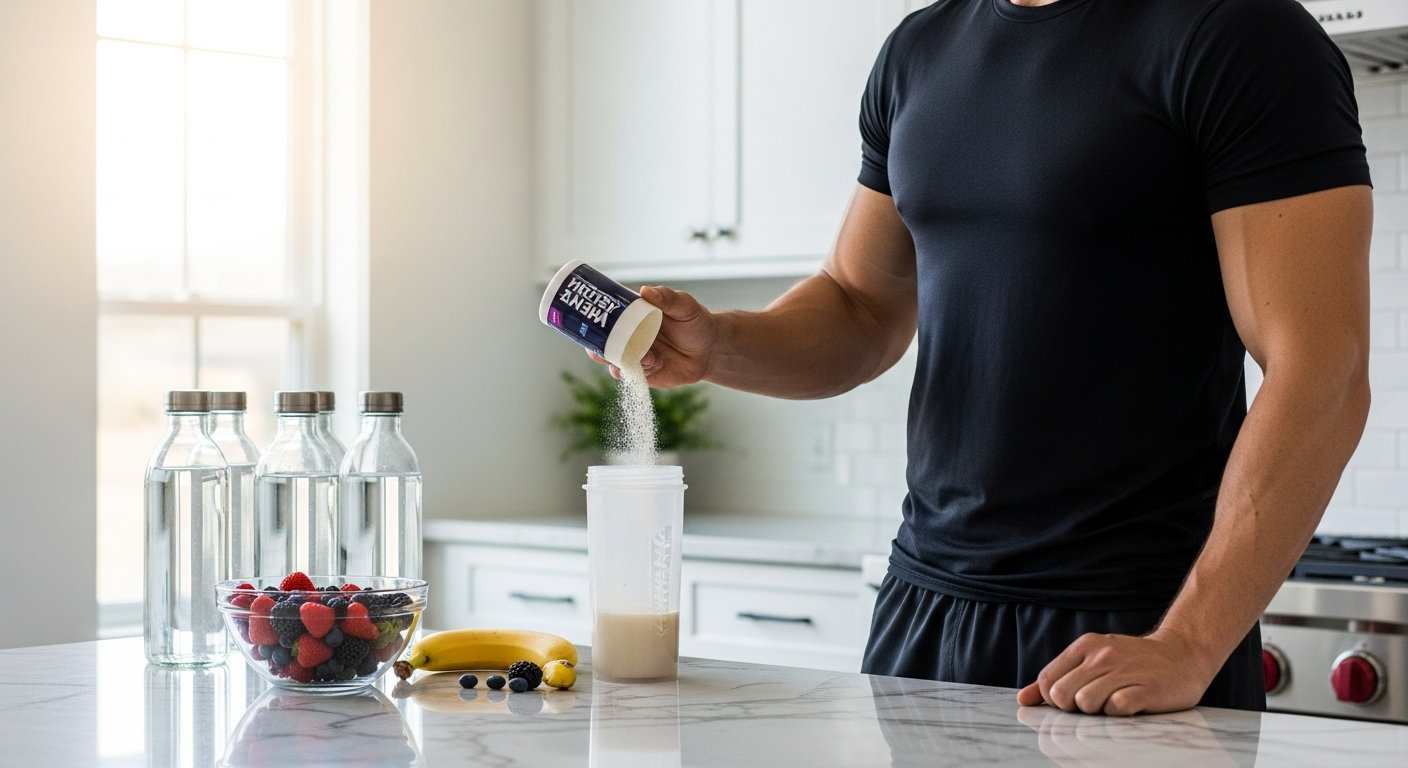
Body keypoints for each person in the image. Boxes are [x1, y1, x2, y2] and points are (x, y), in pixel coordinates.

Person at [590, 0, 1372, 715]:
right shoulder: (918, 51)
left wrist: (1191, 643)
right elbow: (859, 307)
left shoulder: (1238, 32)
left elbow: (1322, 370)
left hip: (1131, 625)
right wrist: (719, 343)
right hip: (922, 611)